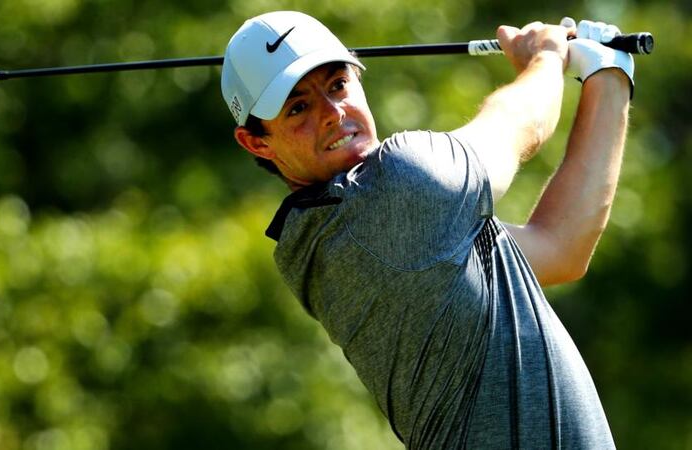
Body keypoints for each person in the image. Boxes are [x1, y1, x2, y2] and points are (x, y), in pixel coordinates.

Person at [221, 10, 633, 448]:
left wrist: (609, 78)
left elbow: (561, 247)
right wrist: (546, 55)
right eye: (298, 107)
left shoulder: (331, 234)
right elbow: (523, 122)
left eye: (338, 84)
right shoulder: (397, 191)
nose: (331, 112)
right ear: (256, 142)